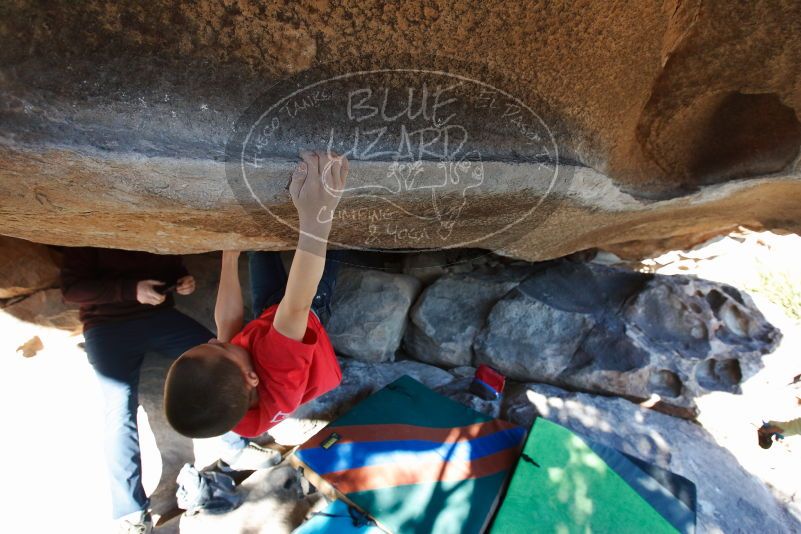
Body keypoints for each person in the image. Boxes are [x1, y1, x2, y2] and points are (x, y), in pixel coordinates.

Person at [60, 248, 273, 534]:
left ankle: (234, 450)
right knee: (119, 406)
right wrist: (131, 290)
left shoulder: (151, 229)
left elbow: (171, 266)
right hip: (106, 325)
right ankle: (131, 511)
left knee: (223, 363)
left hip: (159, 317)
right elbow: (72, 291)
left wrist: (181, 280)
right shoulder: (90, 233)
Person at [164, 150, 347, 440]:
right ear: (252, 378)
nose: (214, 340)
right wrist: (318, 213)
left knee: (255, 248)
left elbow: (228, 323)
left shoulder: (234, 411)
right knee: (335, 238)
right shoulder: (278, 367)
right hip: (305, 310)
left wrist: (229, 253)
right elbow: (297, 303)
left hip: (269, 317)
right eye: (221, 348)